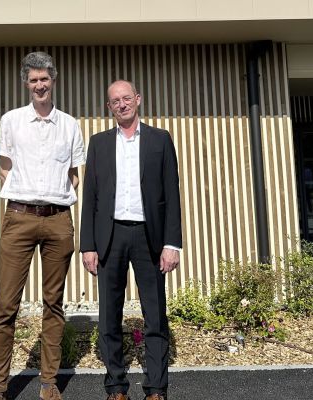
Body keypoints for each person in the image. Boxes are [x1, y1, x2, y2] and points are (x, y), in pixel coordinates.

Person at [0, 51, 85, 400]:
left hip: (59, 221)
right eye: (33, 80)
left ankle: (48, 383)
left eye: (45, 79)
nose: (40, 85)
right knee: (6, 306)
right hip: (19, 218)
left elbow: (74, 175)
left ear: (53, 81)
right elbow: (4, 167)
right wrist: (28, 195)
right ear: (26, 84)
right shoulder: (11, 121)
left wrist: (53, 197)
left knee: (53, 304)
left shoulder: (70, 125)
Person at [79, 80, 182, 400]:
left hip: (149, 237)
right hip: (110, 237)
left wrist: (172, 243)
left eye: (126, 98)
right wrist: (88, 245)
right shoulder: (98, 143)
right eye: (114, 101)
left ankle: (156, 388)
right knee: (110, 315)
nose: (121, 104)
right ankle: (116, 386)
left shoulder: (160, 140)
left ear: (138, 99)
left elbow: (171, 195)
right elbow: (91, 197)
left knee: (155, 314)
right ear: (108, 107)